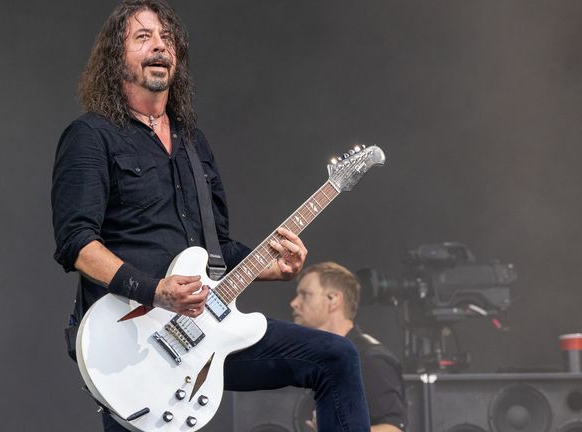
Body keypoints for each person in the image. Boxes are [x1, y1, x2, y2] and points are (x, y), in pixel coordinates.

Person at [51, 1, 370, 430]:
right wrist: (156, 290)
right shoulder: (91, 136)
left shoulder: (192, 143)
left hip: (207, 330)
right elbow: (76, 243)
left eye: (167, 38)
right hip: (134, 342)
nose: (159, 47)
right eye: (143, 37)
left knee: (337, 356)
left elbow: (214, 249)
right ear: (116, 57)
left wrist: (272, 268)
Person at [291, 262, 407, 432]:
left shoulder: (370, 359)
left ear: (333, 300)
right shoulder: (317, 360)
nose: (294, 303)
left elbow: (394, 429)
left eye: (305, 295)